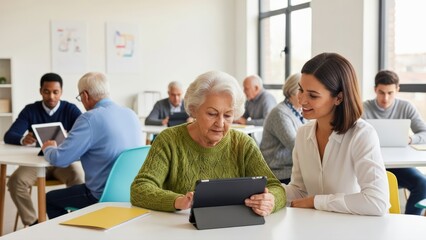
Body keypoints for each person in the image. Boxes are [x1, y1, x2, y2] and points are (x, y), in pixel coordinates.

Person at [131, 70, 285, 216]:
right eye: (212, 114)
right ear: (193, 110)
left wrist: (271, 200)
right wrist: (179, 201)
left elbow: (276, 187)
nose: (220, 123)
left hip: (232, 231)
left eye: (228, 115)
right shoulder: (169, 140)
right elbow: (140, 188)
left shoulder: (244, 144)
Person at [283, 52, 389, 216]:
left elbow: (377, 202)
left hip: (353, 230)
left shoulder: (361, 135)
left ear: (338, 98)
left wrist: (316, 201)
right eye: (301, 90)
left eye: (312, 95)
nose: (302, 100)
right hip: (314, 227)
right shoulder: (303, 134)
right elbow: (299, 190)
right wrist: (269, 192)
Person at [41, 72, 143, 219]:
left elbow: (60, 159)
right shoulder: (131, 114)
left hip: (101, 196)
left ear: (85, 95)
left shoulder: (90, 118)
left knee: (49, 199)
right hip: (132, 193)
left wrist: (49, 148)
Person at [4, 72, 84, 226]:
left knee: (79, 178)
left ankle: (76, 220)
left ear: (61, 92)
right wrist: (22, 139)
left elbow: (83, 134)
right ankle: (34, 224)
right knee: (15, 182)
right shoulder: (30, 110)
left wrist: (69, 136)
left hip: (62, 162)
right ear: (40, 91)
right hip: (37, 161)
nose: (51, 96)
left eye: (55, 92)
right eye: (47, 92)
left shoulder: (71, 109)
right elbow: (9, 135)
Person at [363, 70, 426, 215]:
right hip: (370, 166)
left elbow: (424, 132)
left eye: (390, 93)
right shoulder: (363, 108)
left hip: (400, 167)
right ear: (375, 90)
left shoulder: (406, 106)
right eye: (381, 92)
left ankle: (410, 222)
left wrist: (410, 139)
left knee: (422, 183)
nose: (385, 98)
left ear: (397, 90)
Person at [260, 73, 305, 184]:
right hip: (279, 171)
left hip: (291, 168)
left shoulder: (298, 112)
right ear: (293, 92)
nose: (306, 97)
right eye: (302, 91)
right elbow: (295, 145)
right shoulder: (280, 113)